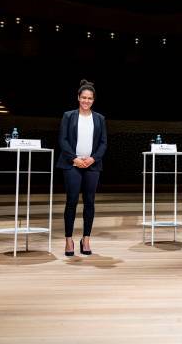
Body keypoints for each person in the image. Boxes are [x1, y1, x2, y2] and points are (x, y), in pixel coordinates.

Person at [56, 80, 107, 257]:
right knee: (71, 201)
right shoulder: (68, 116)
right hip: (72, 164)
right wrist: (75, 159)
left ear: (93, 100)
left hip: (92, 165)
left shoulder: (99, 119)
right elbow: (63, 140)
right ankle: (68, 239)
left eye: (89, 98)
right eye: (83, 97)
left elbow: (103, 143)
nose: (86, 101)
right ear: (78, 98)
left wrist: (92, 159)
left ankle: (86, 239)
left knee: (90, 202)